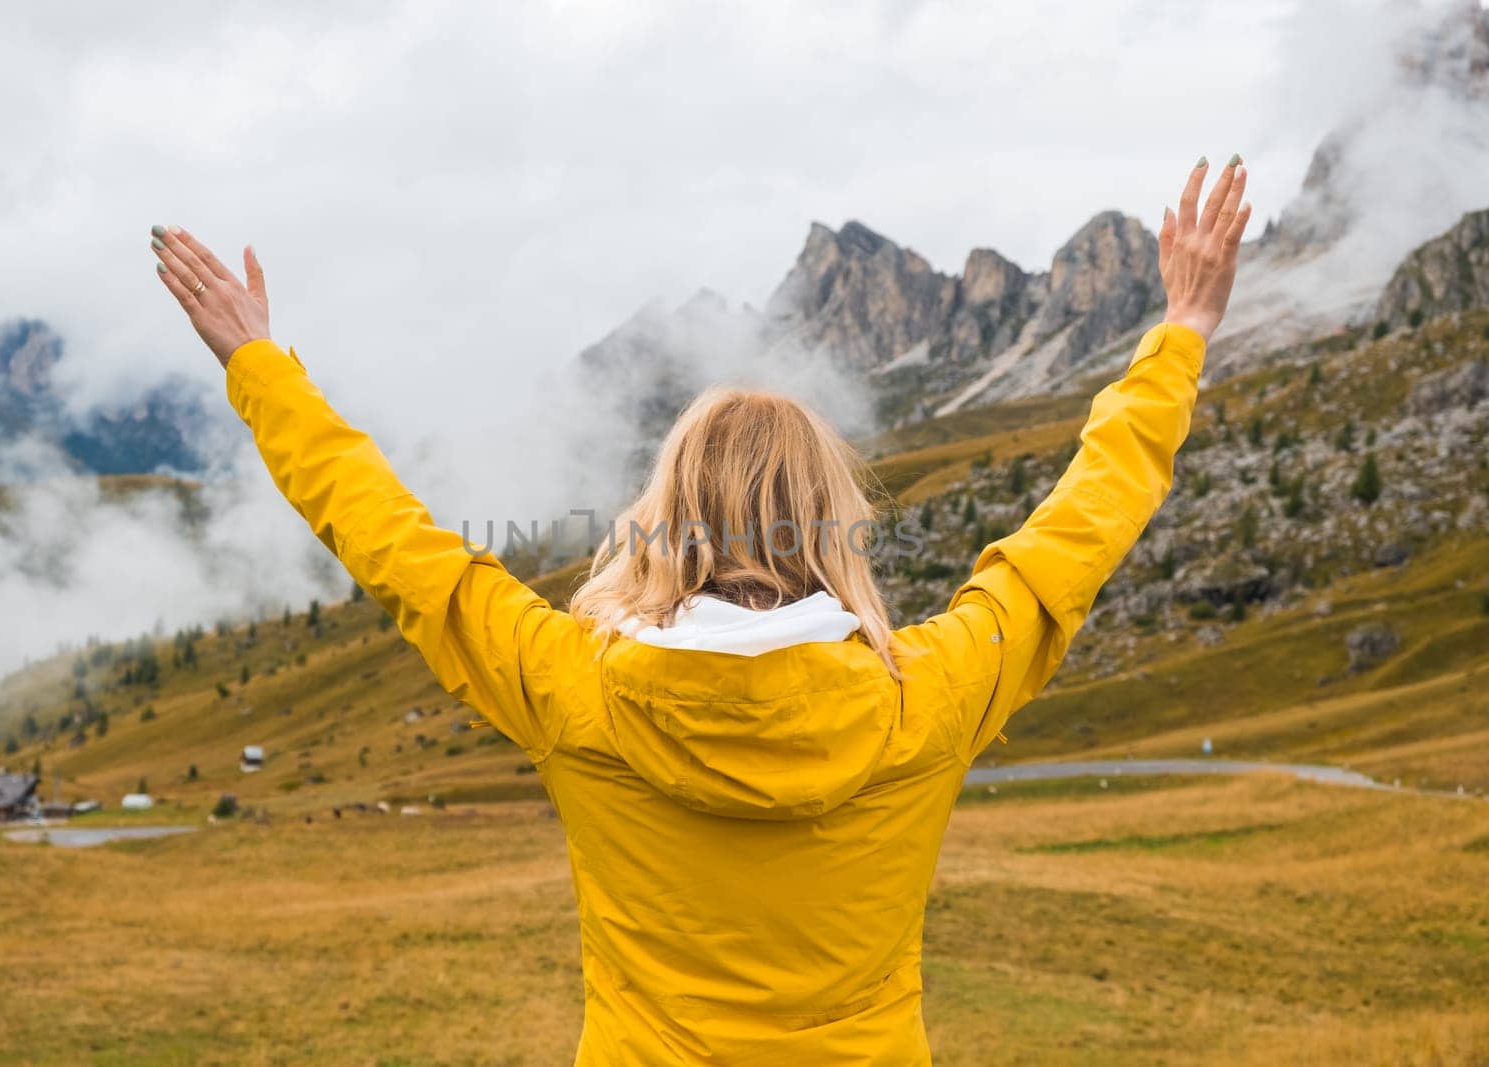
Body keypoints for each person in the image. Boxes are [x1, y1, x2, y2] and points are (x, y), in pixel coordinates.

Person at [151, 157, 1250, 1065]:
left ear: (664, 515)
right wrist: (1183, 328)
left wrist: (257, 363)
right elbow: (1077, 529)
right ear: (831, 524)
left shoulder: (575, 686)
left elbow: (395, 542)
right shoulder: (929, 693)